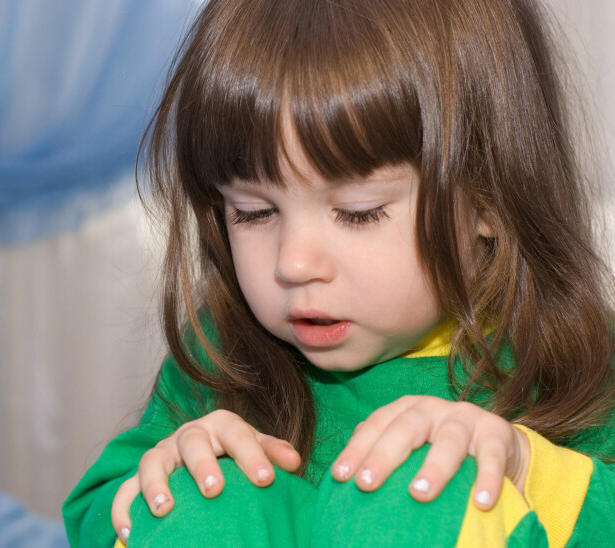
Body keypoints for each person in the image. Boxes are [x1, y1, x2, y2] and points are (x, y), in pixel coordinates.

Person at [63, 0, 615, 546]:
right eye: (252, 212)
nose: (293, 263)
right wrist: (165, 479)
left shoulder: (574, 359)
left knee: (431, 490)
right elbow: (93, 512)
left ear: (488, 197)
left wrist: (525, 468)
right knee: (201, 497)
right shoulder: (222, 350)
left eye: (358, 212)